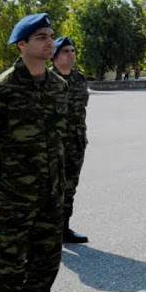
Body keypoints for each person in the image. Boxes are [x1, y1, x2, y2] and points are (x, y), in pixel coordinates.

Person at [0, 13, 69, 292]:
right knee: (6, 269)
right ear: (21, 44)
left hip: (51, 194)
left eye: (50, 36)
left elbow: (61, 140)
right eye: (41, 37)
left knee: (46, 264)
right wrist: (2, 182)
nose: (50, 42)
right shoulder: (1, 89)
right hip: (12, 199)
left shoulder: (59, 86)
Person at [51, 36, 90, 244]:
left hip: (76, 142)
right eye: (65, 51)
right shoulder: (46, 80)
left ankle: (64, 229)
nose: (71, 54)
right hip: (53, 145)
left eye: (73, 50)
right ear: (54, 56)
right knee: (51, 188)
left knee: (70, 186)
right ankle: (49, 232)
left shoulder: (79, 79)